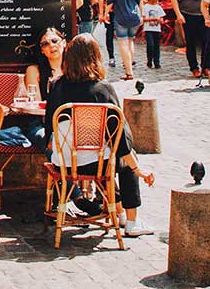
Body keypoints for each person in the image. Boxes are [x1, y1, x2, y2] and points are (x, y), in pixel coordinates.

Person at [44, 33, 154, 237]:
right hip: (97, 163)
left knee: (105, 155)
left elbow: (49, 128)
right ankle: (131, 221)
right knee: (124, 159)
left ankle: (119, 212)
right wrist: (138, 169)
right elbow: (120, 138)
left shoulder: (57, 86)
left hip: (63, 162)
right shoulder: (103, 91)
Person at [169, 0, 208, 77]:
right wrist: (179, 14)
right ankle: (194, 68)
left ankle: (205, 66)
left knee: (206, 41)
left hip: (202, 14)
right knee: (190, 42)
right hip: (187, 14)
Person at [106, 0, 143, 81]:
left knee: (122, 43)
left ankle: (129, 71)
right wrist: (141, 15)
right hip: (135, 15)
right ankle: (130, 63)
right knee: (130, 40)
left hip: (121, 15)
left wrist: (105, 14)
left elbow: (110, 1)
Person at [96, 0, 116, 68]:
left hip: (118, 10)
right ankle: (111, 56)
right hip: (109, 12)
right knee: (109, 34)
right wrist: (102, 13)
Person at [140, 0, 165, 71]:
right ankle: (149, 60)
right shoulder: (145, 7)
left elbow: (162, 17)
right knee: (150, 45)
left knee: (157, 45)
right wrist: (154, 19)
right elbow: (143, 19)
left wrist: (160, 20)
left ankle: (157, 62)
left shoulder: (159, 7)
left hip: (157, 29)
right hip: (148, 29)